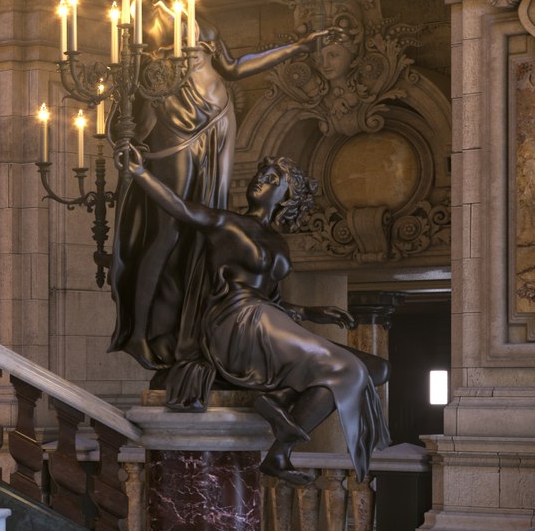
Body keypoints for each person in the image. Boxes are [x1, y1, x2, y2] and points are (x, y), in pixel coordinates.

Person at [118, 144, 390, 484]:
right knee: (345, 367)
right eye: (262, 173)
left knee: (376, 369)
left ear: (286, 195)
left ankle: (276, 424)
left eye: (272, 178)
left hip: (265, 319)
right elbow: (179, 208)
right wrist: (140, 173)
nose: (262, 179)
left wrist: (309, 311)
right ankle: (280, 431)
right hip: (233, 323)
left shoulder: (278, 242)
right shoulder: (226, 223)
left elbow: (270, 298)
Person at [108, 7, 329, 412]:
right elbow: (132, 81)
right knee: (171, 228)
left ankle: (193, 325)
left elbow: (233, 66)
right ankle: (140, 331)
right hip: (178, 121)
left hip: (219, 120)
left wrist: (295, 48)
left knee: (206, 228)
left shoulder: (202, 16)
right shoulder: (145, 15)